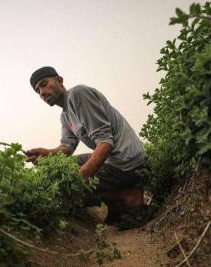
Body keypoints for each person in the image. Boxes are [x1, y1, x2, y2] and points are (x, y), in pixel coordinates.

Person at [25, 66, 150, 229]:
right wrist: (47, 153)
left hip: (128, 163)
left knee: (66, 187)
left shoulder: (78, 95)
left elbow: (105, 143)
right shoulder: (65, 115)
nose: (41, 92)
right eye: (37, 91)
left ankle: (127, 196)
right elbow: (67, 148)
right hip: (115, 160)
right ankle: (119, 200)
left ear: (59, 80)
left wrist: (80, 177)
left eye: (43, 84)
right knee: (60, 171)